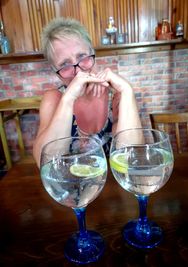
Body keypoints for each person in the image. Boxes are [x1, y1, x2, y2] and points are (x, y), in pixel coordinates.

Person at [33, 17, 141, 167]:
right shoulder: (54, 99)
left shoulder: (115, 94)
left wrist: (127, 91)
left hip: (112, 186)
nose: (78, 72)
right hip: (70, 188)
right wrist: (69, 98)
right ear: (56, 73)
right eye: (65, 64)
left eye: (82, 57)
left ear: (92, 53)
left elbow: (130, 157)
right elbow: (44, 163)